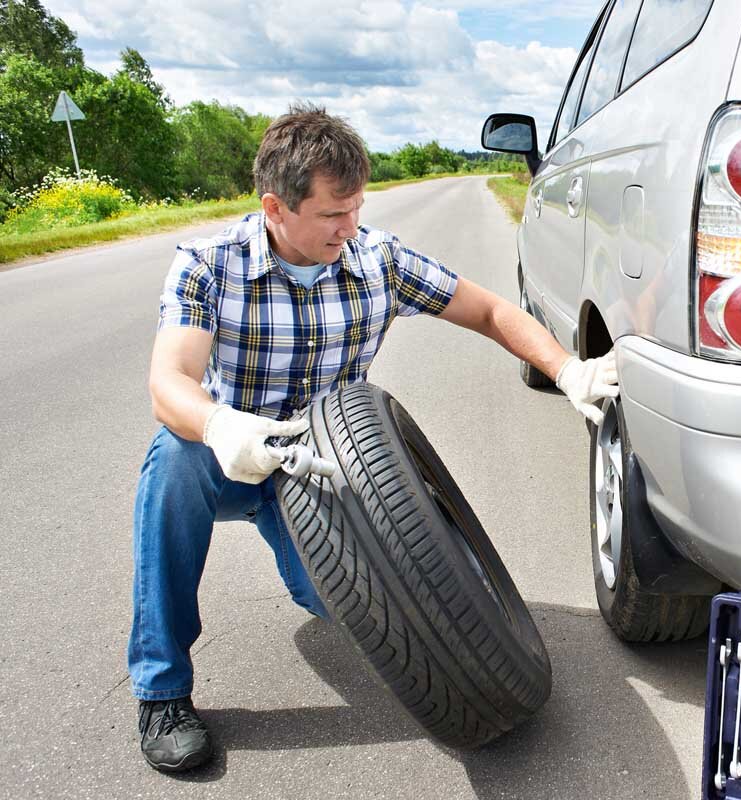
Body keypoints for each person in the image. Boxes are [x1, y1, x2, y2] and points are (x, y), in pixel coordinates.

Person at [130, 102, 617, 773]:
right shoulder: (208, 265)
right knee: (172, 462)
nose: (348, 227)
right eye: (332, 214)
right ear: (276, 208)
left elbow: (493, 310)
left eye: (355, 208)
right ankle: (162, 691)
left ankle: (310, 563)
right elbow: (170, 381)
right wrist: (219, 424)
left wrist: (567, 369)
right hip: (232, 449)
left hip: (318, 465)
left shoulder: (377, 260)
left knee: (330, 599)